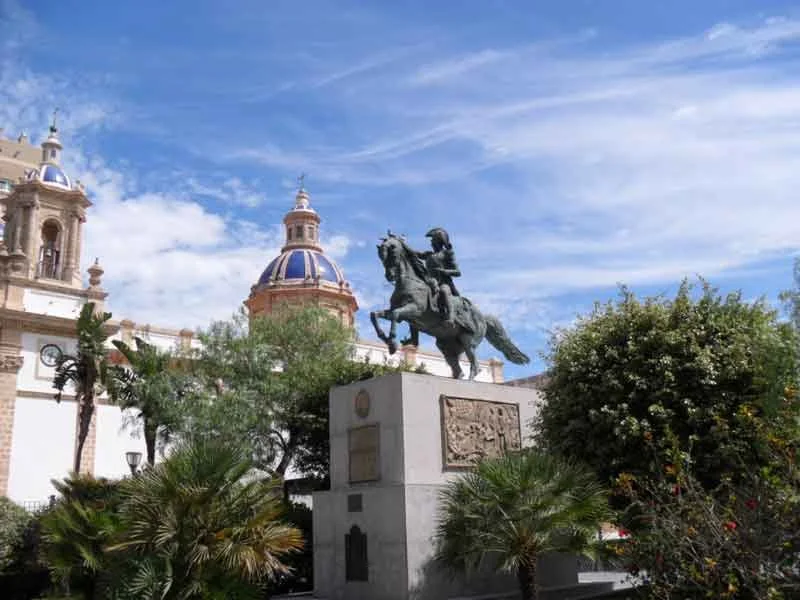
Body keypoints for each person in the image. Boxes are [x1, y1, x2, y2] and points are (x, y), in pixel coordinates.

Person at [416, 227, 461, 324]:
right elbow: (415, 253)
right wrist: (401, 243)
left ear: (439, 241)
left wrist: (444, 271)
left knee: (444, 291)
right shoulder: (428, 255)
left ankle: (451, 317)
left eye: (433, 240)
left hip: (444, 283)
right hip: (429, 283)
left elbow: (458, 272)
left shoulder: (447, 254)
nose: (431, 243)